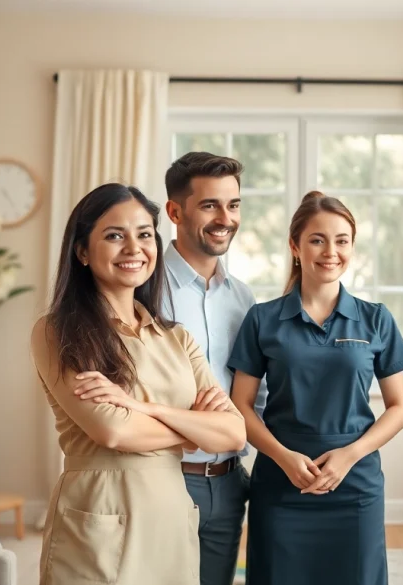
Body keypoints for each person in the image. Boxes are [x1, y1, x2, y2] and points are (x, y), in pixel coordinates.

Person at [30, 183, 247, 585]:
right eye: (115, 235)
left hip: (169, 513)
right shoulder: (57, 330)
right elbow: (112, 430)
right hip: (101, 514)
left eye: (144, 234)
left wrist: (147, 409)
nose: (134, 248)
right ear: (81, 250)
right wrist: (191, 430)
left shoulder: (175, 338)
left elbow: (233, 432)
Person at [227, 190, 403, 585]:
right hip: (281, 484)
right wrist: (282, 457)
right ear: (295, 246)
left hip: (355, 484)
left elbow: (399, 408)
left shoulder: (376, 319)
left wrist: (350, 455)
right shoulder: (262, 319)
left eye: (342, 240)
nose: (331, 251)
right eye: (317, 239)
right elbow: (240, 405)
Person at [161, 151, 267, 585]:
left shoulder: (243, 299)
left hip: (227, 483)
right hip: (162, 478)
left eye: (234, 204)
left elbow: (255, 396)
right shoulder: (141, 289)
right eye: (210, 205)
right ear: (174, 211)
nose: (226, 218)